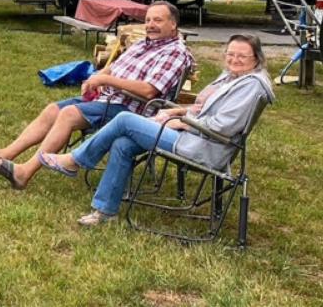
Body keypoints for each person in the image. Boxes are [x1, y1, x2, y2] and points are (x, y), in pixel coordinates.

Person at [38, 34, 274, 226]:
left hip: (204, 146)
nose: (234, 59)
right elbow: (204, 109)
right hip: (194, 135)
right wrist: (174, 112)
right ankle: (105, 212)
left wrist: (182, 122)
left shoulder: (250, 86)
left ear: (257, 58)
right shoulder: (234, 77)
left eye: (242, 56)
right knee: (123, 144)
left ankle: (75, 160)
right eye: (230, 54)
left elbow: (223, 126)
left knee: (124, 120)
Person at [0, 1, 193, 190]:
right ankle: (5, 154)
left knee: (68, 114)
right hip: (107, 100)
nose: (151, 25)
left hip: (132, 111)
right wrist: (95, 77)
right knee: (52, 110)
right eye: (148, 20)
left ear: (173, 24)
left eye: (158, 20)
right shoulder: (143, 44)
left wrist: (105, 81)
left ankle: (23, 173)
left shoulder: (175, 52)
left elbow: (149, 90)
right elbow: (113, 67)